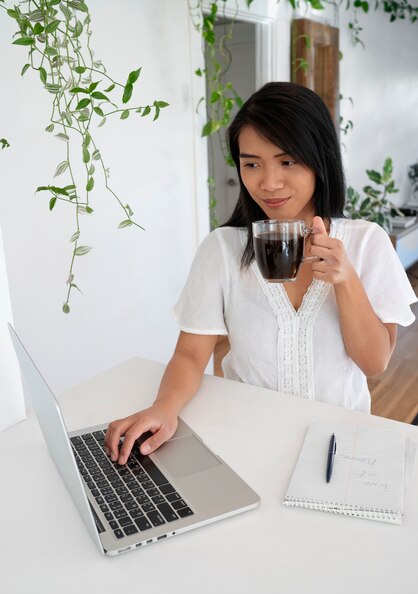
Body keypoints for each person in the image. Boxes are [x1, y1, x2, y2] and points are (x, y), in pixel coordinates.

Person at [105, 81, 417, 464]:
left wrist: (345, 279)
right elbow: (189, 354)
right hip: (245, 439)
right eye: (252, 163)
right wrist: (164, 409)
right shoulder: (221, 250)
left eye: (287, 161)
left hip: (341, 445)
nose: (268, 183)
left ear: (320, 159)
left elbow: (375, 363)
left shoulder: (367, 243)